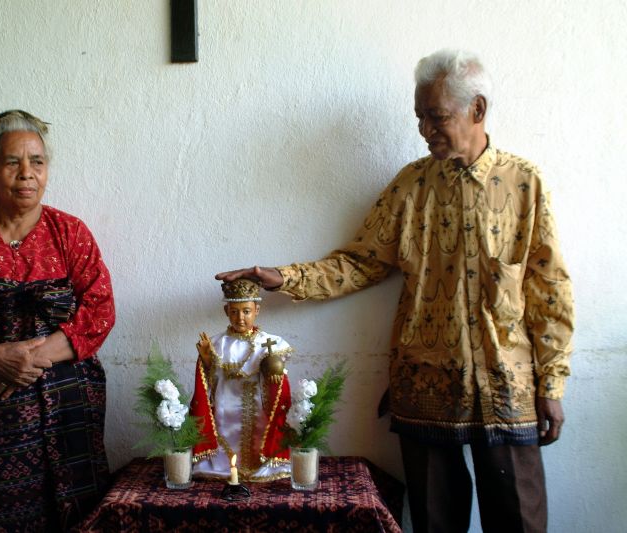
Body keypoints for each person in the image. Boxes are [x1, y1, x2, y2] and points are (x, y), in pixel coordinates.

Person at [217, 50, 574, 532]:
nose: (425, 129)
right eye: (420, 117)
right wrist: (285, 278)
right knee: (434, 519)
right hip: (424, 380)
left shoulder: (524, 184)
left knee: (519, 517)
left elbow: (550, 288)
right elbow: (359, 263)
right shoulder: (411, 186)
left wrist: (551, 385)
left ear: (478, 109)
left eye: (436, 117)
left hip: (507, 382)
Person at [0, 110, 115, 531]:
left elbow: (99, 311)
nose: (26, 173)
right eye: (12, 162)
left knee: (73, 514)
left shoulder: (70, 232)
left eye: (37, 162)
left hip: (67, 404)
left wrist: (24, 362)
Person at [190, 279, 293, 482]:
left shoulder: (268, 342)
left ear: (257, 310)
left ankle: (263, 463)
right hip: (226, 404)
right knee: (226, 434)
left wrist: (274, 372)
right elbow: (208, 381)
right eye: (234, 311)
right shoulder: (217, 344)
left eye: (246, 311)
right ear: (226, 312)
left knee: (258, 434)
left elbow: (277, 376)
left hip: (256, 405)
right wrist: (207, 360)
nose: (241, 318)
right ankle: (223, 465)